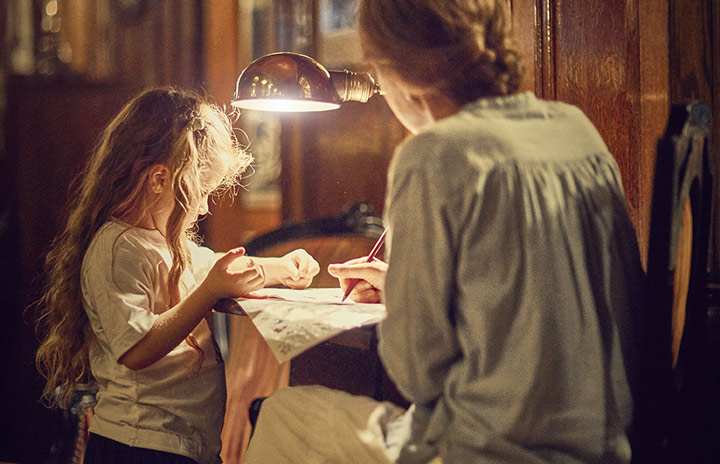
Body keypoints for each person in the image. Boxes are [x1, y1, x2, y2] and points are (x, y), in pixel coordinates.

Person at [244, 0, 645, 463]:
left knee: (284, 414)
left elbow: (417, 371)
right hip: (611, 445)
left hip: (491, 449)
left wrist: (412, 303)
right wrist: (402, 287)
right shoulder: (577, 131)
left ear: (396, 71)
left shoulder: (435, 156)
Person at [34, 87, 320, 464]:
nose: (203, 208)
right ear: (158, 179)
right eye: (201, 191)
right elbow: (136, 349)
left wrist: (283, 267)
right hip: (138, 446)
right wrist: (208, 292)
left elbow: (221, 268)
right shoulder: (117, 248)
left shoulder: (166, 244)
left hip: (182, 446)